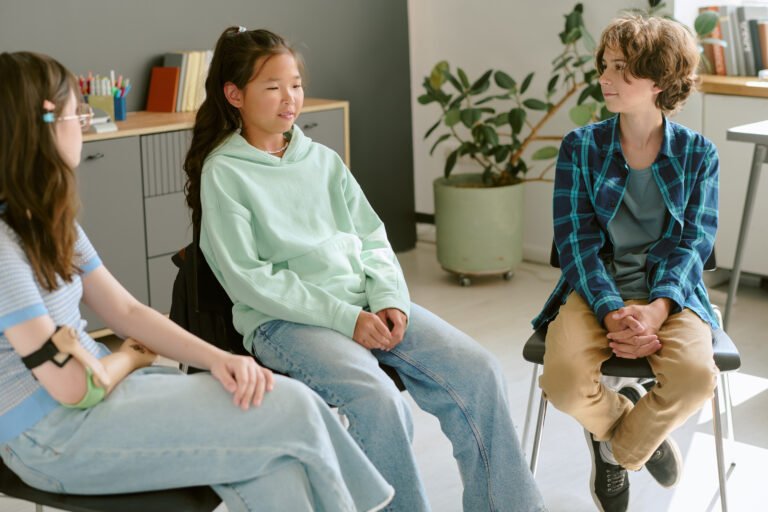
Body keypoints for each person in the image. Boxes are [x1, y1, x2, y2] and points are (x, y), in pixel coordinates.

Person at [0, 50, 395, 512]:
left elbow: (127, 313)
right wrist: (128, 358)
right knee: (294, 411)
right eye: (76, 113)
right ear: (41, 126)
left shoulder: (50, 224)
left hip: (101, 398)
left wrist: (220, 360)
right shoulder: (5, 249)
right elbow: (71, 386)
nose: (84, 125)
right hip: (52, 435)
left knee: (276, 449)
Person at [184, 27, 545, 512]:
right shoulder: (225, 173)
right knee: (378, 400)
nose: (290, 99)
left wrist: (389, 300)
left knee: (478, 370)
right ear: (235, 94)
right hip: (285, 322)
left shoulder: (322, 159)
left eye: (295, 84)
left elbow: (371, 238)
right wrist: (346, 318)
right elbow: (251, 278)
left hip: (364, 304)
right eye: (272, 86)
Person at [531, 15, 720, 512]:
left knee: (697, 378)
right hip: (596, 291)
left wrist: (657, 310)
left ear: (660, 81)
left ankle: (616, 449)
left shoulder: (699, 155)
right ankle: (640, 432)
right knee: (563, 383)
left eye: (622, 69)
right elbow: (575, 241)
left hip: (670, 297)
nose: (605, 78)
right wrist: (611, 308)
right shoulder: (581, 148)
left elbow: (695, 243)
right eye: (605, 66)